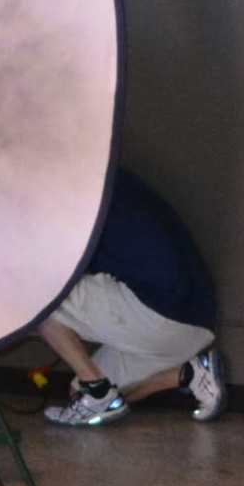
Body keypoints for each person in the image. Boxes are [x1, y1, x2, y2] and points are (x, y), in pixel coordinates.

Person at [42, 165, 225, 426]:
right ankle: (188, 374)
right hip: (199, 322)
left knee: (39, 298)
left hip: (158, 310)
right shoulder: (115, 179)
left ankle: (96, 388)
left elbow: (64, 266)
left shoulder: (81, 192)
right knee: (79, 395)